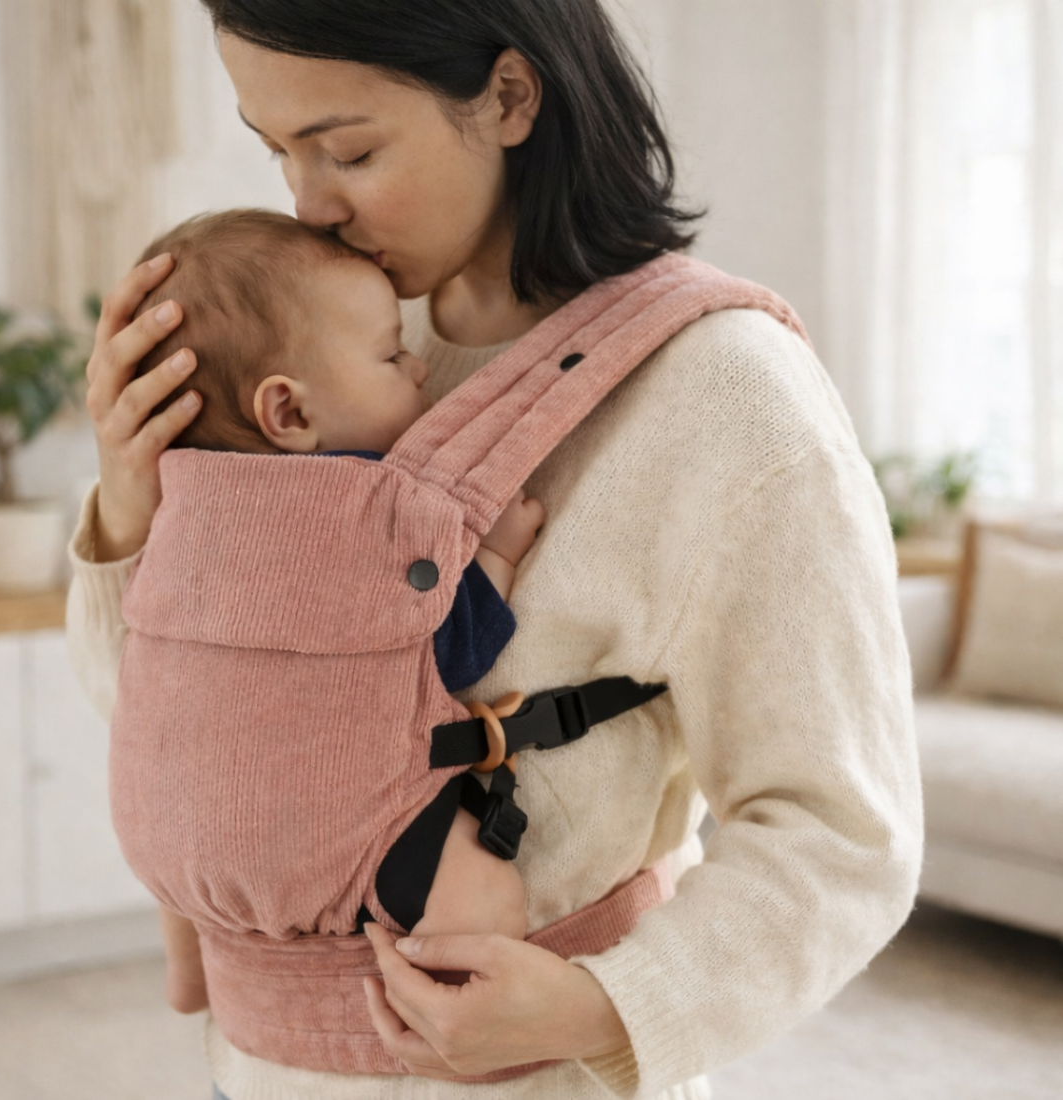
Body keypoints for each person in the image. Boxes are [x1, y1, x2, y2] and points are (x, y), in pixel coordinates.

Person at [67, 1, 924, 1097]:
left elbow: (842, 830)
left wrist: (606, 1004)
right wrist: (130, 510)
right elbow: (170, 716)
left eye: (348, 149)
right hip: (260, 1066)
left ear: (510, 97)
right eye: (274, 149)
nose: (306, 204)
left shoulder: (725, 397)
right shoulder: (309, 348)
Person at [119, 208, 544, 1016]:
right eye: (390, 354)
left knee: (188, 869)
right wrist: (501, 553)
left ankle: (188, 972)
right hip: (322, 840)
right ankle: (463, 1011)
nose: (419, 370)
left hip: (157, 831)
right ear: (290, 413)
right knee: (480, 885)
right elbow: (444, 652)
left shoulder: (176, 499)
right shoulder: (361, 508)